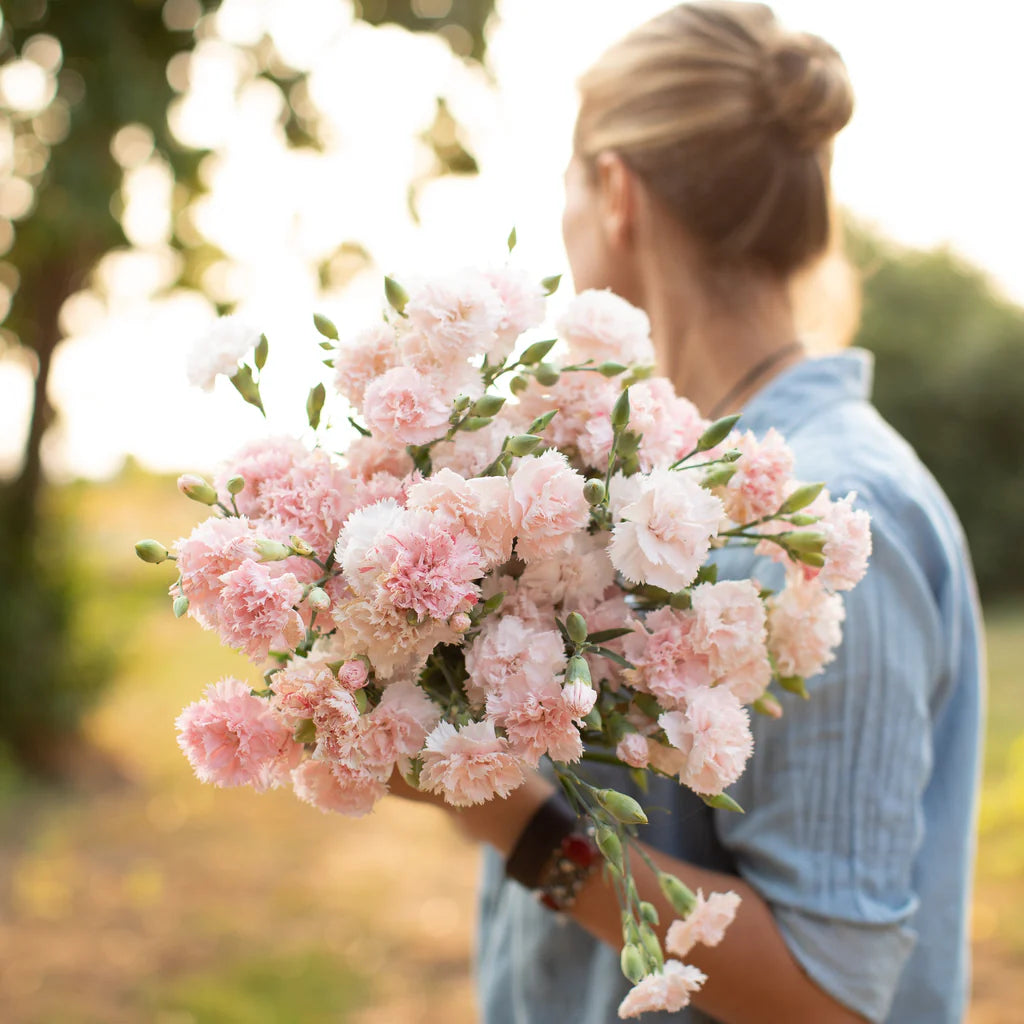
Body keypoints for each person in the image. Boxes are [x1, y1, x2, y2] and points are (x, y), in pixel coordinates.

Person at [397, 3, 985, 1021]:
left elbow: (829, 1001)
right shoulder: (643, 487)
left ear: (615, 191)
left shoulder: (830, 520)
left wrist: (509, 818)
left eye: (568, 192)